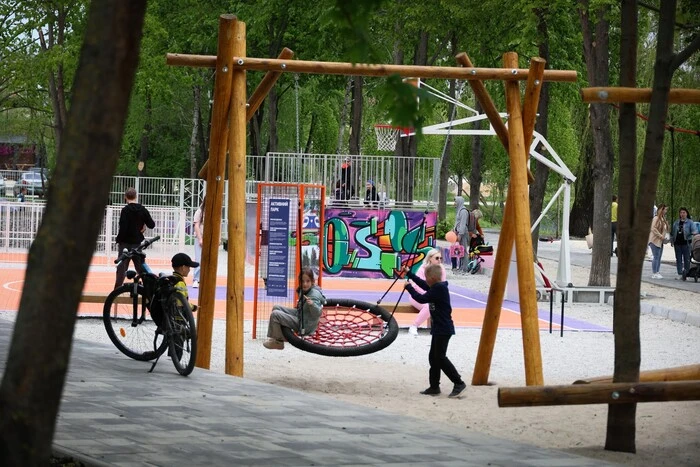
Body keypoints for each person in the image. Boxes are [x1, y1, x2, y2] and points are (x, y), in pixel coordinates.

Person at [404, 263, 467, 398]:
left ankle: (458, 382)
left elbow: (421, 298)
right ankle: (434, 386)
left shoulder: (439, 289)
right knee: (433, 357)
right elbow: (423, 285)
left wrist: (409, 288)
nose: (425, 280)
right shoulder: (436, 286)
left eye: (427, 277)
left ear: (432, 278)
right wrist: (409, 274)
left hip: (443, 329)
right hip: (439, 328)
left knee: (440, 357)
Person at [263, 267, 326, 350]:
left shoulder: (313, 296)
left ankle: (278, 342)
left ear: (312, 281)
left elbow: (317, 313)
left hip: (305, 325)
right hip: (301, 314)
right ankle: (278, 337)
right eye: (302, 281)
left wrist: (312, 305)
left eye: (307, 281)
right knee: (276, 307)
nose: (305, 284)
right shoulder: (305, 290)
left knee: (275, 315)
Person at [114, 187, 155, 289]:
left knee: (121, 269)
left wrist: (118, 240)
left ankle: (116, 291)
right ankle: (148, 289)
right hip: (137, 243)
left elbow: (123, 228)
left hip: (125, 244)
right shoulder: (142, 210)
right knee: (140, 268)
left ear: (125, 197)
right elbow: (152, 224)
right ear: (136, 196)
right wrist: (143, 225)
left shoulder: (125, 210)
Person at [408, 248, 446, 336]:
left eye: (440, 258)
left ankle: (439, 326)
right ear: (430, 258)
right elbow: (417, 285)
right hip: (417, 295)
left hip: (432, 296)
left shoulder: (441, 269)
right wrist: (429, 296)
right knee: (429, 306)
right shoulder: (422, 269)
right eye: (437, 258)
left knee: (442, 305)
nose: (439, 260)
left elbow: (443, 285)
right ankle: (414, 326)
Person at [671, 207, 697, 278]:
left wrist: (693, 233)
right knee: (678, 259)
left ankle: (686, 273)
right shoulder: (676, 222)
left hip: (686, 243)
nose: (682, 214)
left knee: (687, 259)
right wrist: (672, 241)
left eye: (684, 213)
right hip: (677, 243)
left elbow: (694, 231)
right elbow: (672, 233)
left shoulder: (690, 222)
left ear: (686, 213)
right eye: (681, 213)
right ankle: (680, 273)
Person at [647, 203, 669, 279]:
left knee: (659, 257)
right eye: (665, 209)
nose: (666, 211)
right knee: (656, 256)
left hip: (660, 241)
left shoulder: (663, 218)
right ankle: (654, 273)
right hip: (655, 240)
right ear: (661, 210)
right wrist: (660, 236)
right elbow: (653, 228)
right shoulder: (656, 218)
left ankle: (657, 271)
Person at [192, 196, 206, 288]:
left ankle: (206, 279)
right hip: (200, 237)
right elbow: (196, 226)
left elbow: (219, 225)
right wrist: (200, 238)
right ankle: (196, 279)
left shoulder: (215, 212)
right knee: (199, 259)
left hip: (210, 238)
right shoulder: (199, 212)